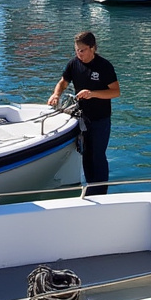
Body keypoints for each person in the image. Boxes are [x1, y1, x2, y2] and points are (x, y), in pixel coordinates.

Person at [47, 31, 120, 196]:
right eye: (76, 50)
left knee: (98, 155)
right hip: (82, 118)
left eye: (82, 50)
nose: (79, 54)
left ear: (92, 48)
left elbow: (115, 92)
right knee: (86, 154)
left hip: (100, 119)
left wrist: (92, 93)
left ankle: (101, 191)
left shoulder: (104, 66)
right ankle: (90, 187)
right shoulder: (74, 64)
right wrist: (56, 94)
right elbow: (63, 82)